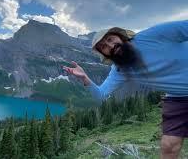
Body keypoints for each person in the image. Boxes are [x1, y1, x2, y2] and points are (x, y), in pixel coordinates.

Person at [63, 20, 188, 159]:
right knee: (169, 146)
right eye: (104, 46)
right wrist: (85, 78)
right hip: (177, 97)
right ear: (104, 54)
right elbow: (101, 95)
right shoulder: (120, 69)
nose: (111, 45)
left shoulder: (152, 35)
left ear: (120, 36)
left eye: (111, 39)